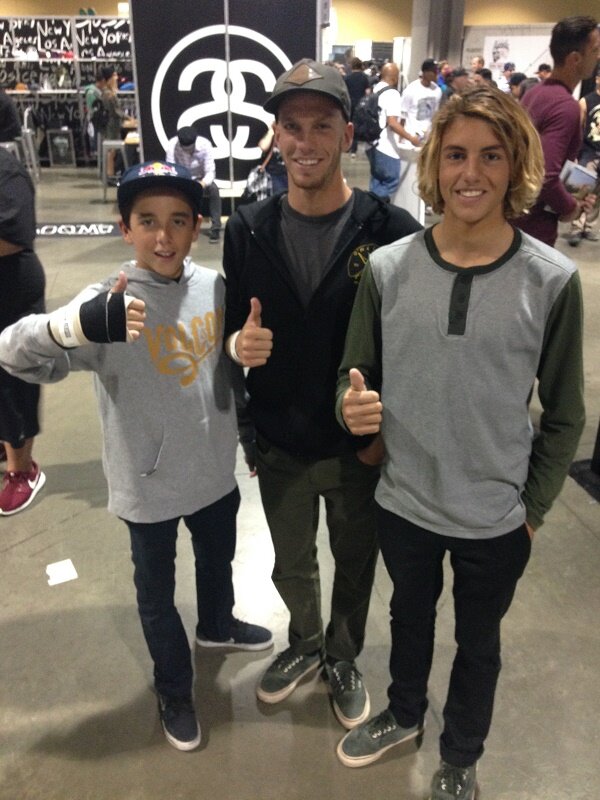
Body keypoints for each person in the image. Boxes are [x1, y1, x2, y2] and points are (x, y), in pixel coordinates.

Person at [335, 85, 585, 800]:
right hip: (405, 500)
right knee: (407, 619)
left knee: (479, 643)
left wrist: (532, 510)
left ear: (517, 167)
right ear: (434, 166)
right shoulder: (388, 269)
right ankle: (403, 713)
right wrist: (353, 411)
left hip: (496, 516)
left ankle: (462, 755)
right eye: (454, 155)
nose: (470, 173)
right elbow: (354, 375)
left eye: (491, 156)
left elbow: (564, 413)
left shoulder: (552, 281)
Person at [0, 160, 272, 750]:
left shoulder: (214, 287)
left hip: (214, 473)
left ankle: (217, 624)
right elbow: (12, 352)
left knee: (217, 563)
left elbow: (225, 367)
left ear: (196, 226)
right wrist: (71, 327)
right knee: (155, 596)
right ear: (126, 229)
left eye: (178, 221)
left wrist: (237, 356)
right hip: (146, 486)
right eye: (147, 221)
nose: (163, 236)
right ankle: (174, 688)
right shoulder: (107, 302)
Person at [222, 58, 421, 731]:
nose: (305, 142)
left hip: (355, 447)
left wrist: (382, 436)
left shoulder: (389, 231)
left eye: (321, 126)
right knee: (292, 564)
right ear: (276, 136)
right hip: (279, 439)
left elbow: (407, 350)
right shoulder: (247, 229)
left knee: (356, 562)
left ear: (347, 135)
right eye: (292, 126)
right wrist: (239, 352)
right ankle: (305, 643)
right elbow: (230, 333)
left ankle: (342, 655)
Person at [515, 15, 600, 247]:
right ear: (575, 58)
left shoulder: (535, 93)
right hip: (534, 229)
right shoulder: (565, 106)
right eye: (595, 50)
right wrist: (571, 207)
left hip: (515, 218)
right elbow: (545, 176)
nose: (598, 57)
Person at [0, 148, 46, 515]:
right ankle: (5, 442)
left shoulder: (7, 171)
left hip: (11, 285)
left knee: (14, 377)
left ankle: (23, 469)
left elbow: (17, 235)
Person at [367, 62, 420, 200]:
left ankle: (369, 209)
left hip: (371, 144)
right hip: (386, 147)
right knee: (390, 181)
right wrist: (411, 138)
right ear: (395, 78)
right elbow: (392, 123)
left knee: (377, 181)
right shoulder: (392, 94)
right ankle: (378, 211)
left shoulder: (375, 89)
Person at [165, 126, 222, 243]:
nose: (187, 150)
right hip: (182, 179)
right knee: (171, 193)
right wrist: (181, 183)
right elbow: (170, 169)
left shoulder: (205, 145)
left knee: (214, 190)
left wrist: (202, 183)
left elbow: (210, 171)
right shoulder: (172, 145)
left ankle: (216, 227)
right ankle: (178, 226)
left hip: (201, 179)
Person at [568, 63, 600, 246]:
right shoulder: (586, 101)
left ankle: (588, 226)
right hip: (588, 151)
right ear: (597, 79)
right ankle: (576, 226)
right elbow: (577, 129)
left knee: (598, 195)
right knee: (581, 189)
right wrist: (575, 153)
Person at [399, 59, 442, 143]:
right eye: (434, 71)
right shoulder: (411, 89)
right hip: (412, 137)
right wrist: (401, 137)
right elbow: (403, 115)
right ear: (425, 72)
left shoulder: (437, 90)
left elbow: (435, 114)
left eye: (437, 71)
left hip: (428, 137)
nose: (436, 74)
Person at [345, 57, 370, 157]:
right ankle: (355, 149)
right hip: (361, 105)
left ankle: (349, 146)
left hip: (350, 104)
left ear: (351, 66)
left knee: (349, 125)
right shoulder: (364, 77)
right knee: (357, 126)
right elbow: (368, 92)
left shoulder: (347, 77)